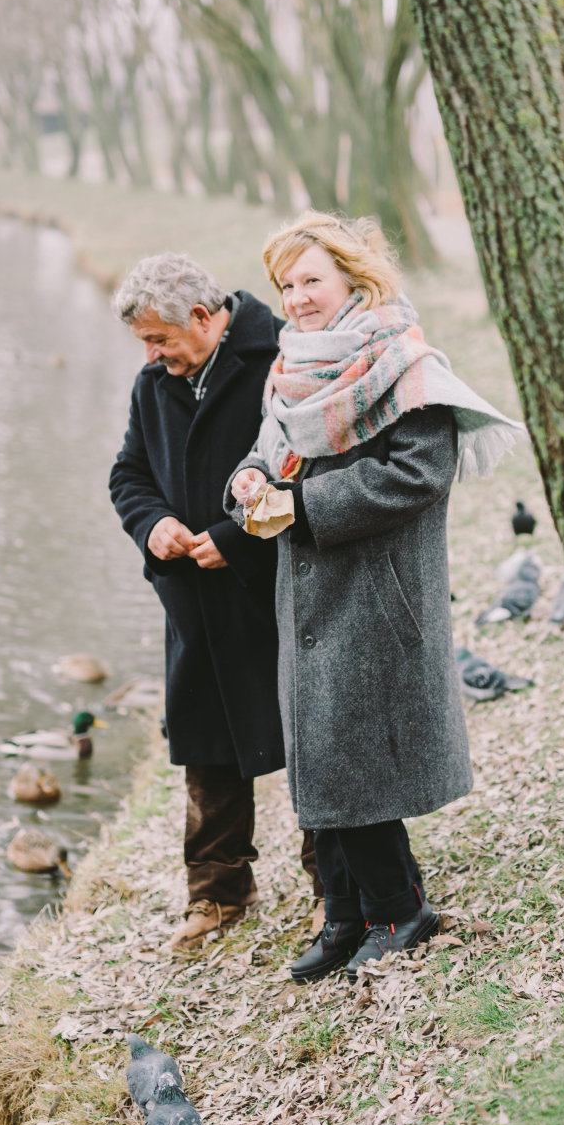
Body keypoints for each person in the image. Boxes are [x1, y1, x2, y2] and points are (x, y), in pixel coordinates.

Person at [228, 213, 521, 983]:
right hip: (308, 596)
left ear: (355, 279)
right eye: (286, 285)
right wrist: (250, 483)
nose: (296, 298)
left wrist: (305, 507)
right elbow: (267, 452)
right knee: (322, 757)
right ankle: (345, 915)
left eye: (311, 280)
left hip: (376, 595)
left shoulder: (404, 362)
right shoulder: (293, 368)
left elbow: (420, 473)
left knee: (357, 758)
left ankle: (400, 910)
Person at [109, 254, 323, 950]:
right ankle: (218, 891)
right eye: (145, 342)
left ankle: (334, 884)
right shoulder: (154, 384)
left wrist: (237, 537)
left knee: (311, 740)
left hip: (274, 592)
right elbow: (129, 474)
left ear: (203, 317)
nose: (151, 355)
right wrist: (153, 525)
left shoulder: (279, 362)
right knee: (206, 751)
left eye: (159, 338)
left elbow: (308, 471)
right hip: (194, 603)